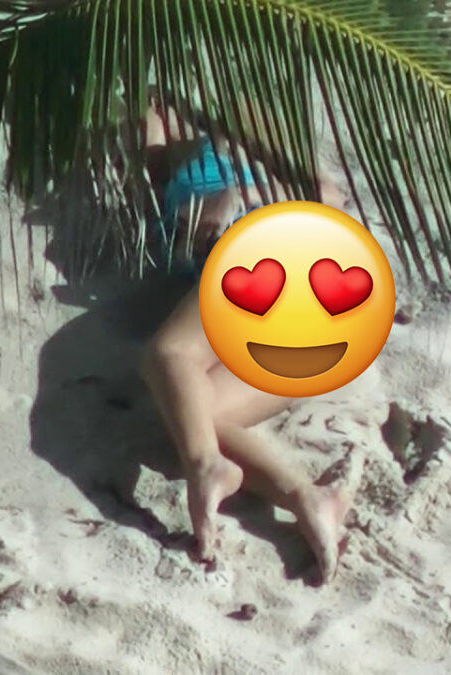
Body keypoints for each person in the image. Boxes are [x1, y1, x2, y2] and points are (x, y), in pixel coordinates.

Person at [139, 98, 353, 584]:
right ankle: (306, 496)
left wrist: (240, 194)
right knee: (194, 414)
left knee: (169, 355)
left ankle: (204, 466)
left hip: (282, 265)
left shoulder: (239, 153)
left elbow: (328, 196)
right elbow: (147, 131)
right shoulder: (168, 176)